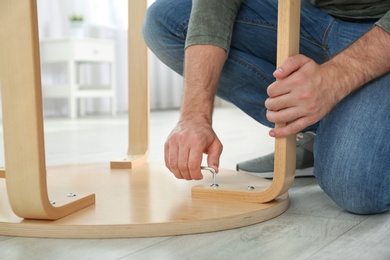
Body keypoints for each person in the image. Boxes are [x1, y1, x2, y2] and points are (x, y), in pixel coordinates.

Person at [143, 0, 390, 215]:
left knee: (356, 186)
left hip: (382, 29)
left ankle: (348, 132)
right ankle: (321, 133)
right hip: (314, 15)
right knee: (166, 20)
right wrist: (194, 116)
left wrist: (338, 76)